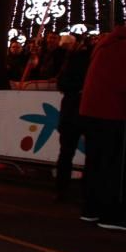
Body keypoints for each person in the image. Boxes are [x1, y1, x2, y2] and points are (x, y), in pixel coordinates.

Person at [78, 9, 126, 231]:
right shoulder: (125, 45)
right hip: (113, 114)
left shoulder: (109, 42)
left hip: (95, 113)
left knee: (96, 165)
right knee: (116, 169)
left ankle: (91, 209)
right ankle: (112, 215)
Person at [54, 34, 89, 201]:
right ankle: (66, 189)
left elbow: (61, 82)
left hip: (74, 108)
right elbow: (61, 82)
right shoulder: (75, 59)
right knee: (69, 152)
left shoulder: (74, 60)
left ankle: (62, 189)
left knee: (66, 152)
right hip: (78, 109)